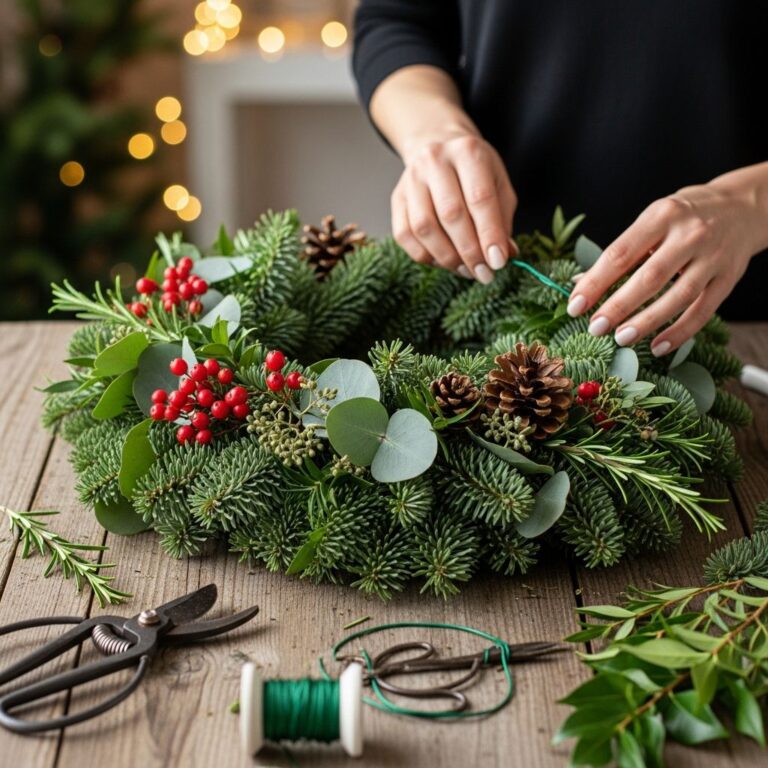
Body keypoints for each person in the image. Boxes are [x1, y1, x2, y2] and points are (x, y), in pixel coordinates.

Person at [352, 1, 768, 356]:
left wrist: (752, 204)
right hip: (503, 313)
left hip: (745, 322)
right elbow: (397, 18)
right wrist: (434, 132)